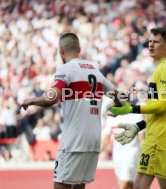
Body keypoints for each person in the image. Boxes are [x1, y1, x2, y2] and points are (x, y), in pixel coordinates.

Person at [21, 33, 117, 189]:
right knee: (79, 186)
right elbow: (119, 96)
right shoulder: (95, 70)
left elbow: (51, 98)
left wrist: (32, 100)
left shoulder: (66, 69)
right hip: (93, 139)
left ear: (61, 50)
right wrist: (117, 110)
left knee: (60, 184)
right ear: (79, 49)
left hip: (74, 139)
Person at [109, 27, 166, 189]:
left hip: (159, 137)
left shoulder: (165, 69)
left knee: (139, 184)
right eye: (150, 41)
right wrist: (139, 125)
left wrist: (130, 109)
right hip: (165, 135)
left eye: (156, 42)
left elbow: (162, 106)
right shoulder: (165, 69)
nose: (151, 45)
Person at [101, 97, 144, 189]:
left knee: (125, 183)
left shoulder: (136, 116)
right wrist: (96, 152)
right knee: (126, 184)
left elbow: (142, 139)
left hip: (132, 153)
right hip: (118, 156)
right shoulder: (112, 117)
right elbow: (106, 138)